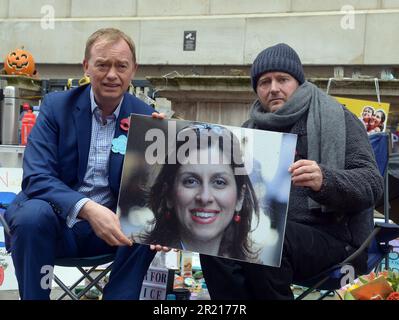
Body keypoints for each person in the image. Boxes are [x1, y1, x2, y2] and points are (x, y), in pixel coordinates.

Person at [199, 43, 384, 299]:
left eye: (282, 79)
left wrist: (325, 180)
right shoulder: (248, 131)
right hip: (269, 232)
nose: (273, 88)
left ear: (297, 82)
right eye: (264, 82)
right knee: (212, 241)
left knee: (265, 238)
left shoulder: (337, 119)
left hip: (335, 238)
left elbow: (373, 184)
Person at [3, 28, 164, 300]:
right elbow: (36, 177)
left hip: (115, 233)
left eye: (121, 66)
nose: (112, 74)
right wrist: (87, 209)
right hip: (54, 225)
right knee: (32, 215)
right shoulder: (56, 107)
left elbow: (158, 189)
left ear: (133, 69)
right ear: (86, 66)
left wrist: (167, 143)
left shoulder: (147, 119)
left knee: (146, 220)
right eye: (102, 64)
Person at [134, 122, 261, 262]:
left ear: (240, 198)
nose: (205, 197)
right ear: (169, 194)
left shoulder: (252, 269)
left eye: (219, 182)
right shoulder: (138, 255)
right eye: (191, 181)